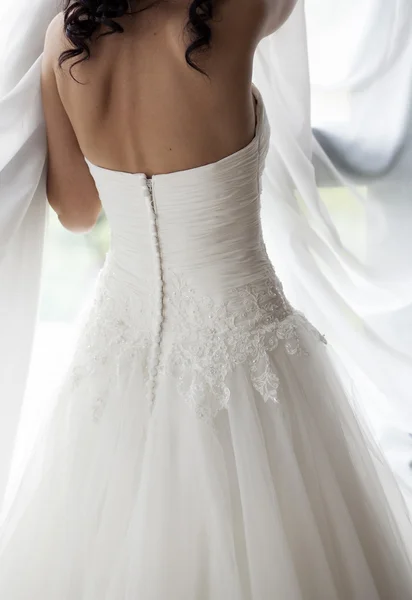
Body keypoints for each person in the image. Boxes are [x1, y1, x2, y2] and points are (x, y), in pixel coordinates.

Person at [0, 0, 412, 597]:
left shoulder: (64, 42)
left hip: (120, 345)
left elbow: (78, 212)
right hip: (242, 346)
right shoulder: (229, 17)